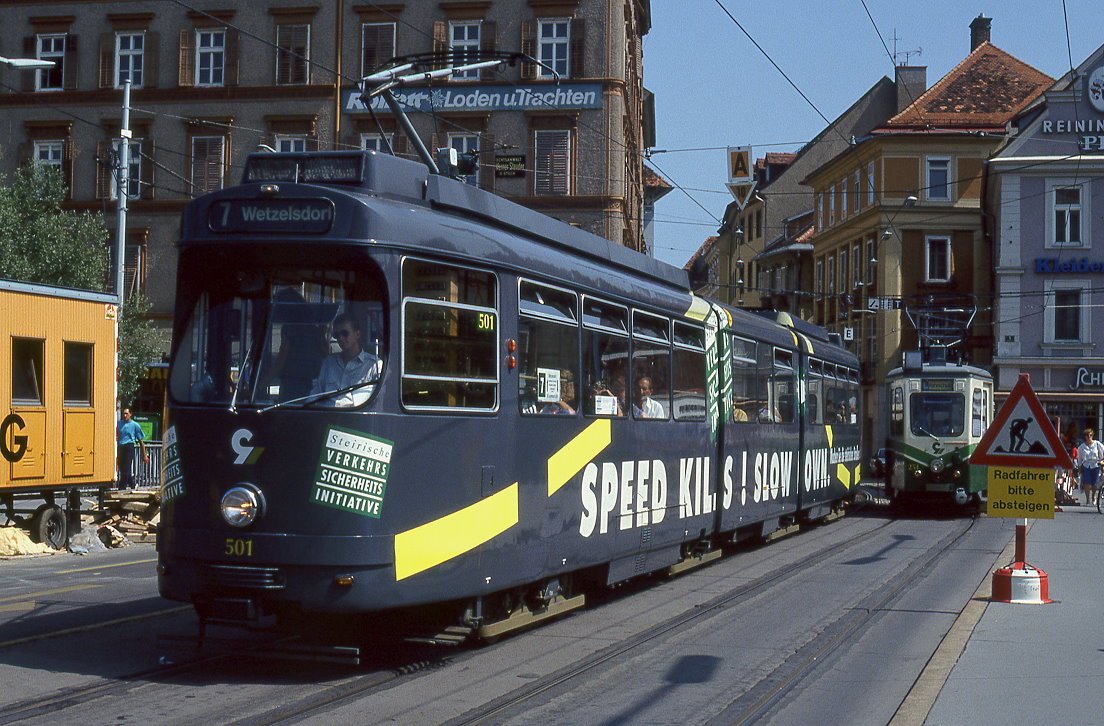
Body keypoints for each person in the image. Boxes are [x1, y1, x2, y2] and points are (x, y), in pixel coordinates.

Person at [310, 312, 381, 407]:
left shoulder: (374, 366)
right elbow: (315, 394)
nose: (341, 338)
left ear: (357, 334)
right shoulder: (328, 363)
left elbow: (378, 402)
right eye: (336, 335)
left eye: (345, 333)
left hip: (355, 415)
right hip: (327, 413)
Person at [116, 407, 148, 490]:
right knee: (122, 469)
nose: (125, 415)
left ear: (130, 414)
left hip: (129, 447)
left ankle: (121, 488)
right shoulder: (119, 424)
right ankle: (133, 485)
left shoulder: (135, 425)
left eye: (126, 413)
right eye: (124, 413)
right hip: (121, 446)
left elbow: (141, 441)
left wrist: (144, 455)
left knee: (126, 468)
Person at [1077, 427, 1104, 507]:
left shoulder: (1097, 444)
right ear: (1085, 436)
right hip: (1086, 465)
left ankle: (1093, 498)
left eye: (1090, 435)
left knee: (1095, 483)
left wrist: (1101, 462)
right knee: (1087, 483)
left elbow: (1102, 453)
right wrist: (1079, 467)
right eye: (1087, 435)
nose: (1089, 437)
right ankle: (1088, 499)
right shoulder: (1081, 447)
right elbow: (1079, 458)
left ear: (1092, 436)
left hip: (1095, 464)